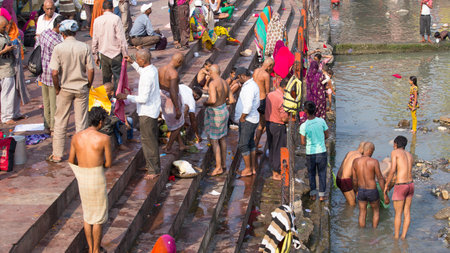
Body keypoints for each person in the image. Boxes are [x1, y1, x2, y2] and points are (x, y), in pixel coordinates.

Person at [47, 20, 95, 163]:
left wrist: (57, 89)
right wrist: (88, 85)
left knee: (60, 122)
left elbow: (54, 73)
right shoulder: (84, 47)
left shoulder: (59, 48)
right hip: (81, 88)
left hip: (65, 88)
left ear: (62, 33)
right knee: (81, 123)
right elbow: (91, 70)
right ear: (75, 32)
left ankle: (57, 154)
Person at [68, 107, 112, 253]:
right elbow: (108, 163)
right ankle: (96, 250)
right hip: (97, 177)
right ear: (100, 122)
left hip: (83, 178)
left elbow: (71, 160)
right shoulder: (104, 138)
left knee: (88, 216)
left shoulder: (76, 137)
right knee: (98, 217)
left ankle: (90, 249)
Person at [117, 50, 161, 179]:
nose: (136, 60)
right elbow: (142, 71)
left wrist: (126, 96)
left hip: (147, 112)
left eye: (137, 59)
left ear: (143, 60)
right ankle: (150, 165)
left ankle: (154, 170)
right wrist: (132, 63)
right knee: (147, 140)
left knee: (149, 141)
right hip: (149, 110)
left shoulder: (148, 75)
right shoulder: (151, 69)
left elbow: (143, 99)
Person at [204, 64, 235, 176]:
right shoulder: (225, 82)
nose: (208, 75)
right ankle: (223, 164)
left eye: (209, 73)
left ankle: (218, 168)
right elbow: (232, 100)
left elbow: (212, 100)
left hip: (215, 113)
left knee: (214, 140)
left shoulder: (213, 83)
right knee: (222, 138)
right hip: (223, 110)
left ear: (212, 72)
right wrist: (222, 103)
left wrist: (205, 103)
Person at [36, 15, 65, 134]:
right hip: (52, 74)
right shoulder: (57, 40)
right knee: (54, 103)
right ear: (59, 26)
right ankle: (53, 127)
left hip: (42, 72)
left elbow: (36, 47)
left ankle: (46, 125)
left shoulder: (44, 33)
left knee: (46, 101)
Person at [92, 0, 128, 90]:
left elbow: (94, 39)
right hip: (116, 53)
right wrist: (125, 54)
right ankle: (117, 99)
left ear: (102, 9)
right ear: (112, 8)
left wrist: (95, 55)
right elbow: (121, 38)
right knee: (118, 78)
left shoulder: (97, 21)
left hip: (103, 53)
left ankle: (107, 99)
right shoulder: (116, 19)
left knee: (106, 78)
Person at [384, 136, 414, 240]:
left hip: (401, 185)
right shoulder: (410, 155)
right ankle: (403, 237)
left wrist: (386, 185)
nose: (393, 146)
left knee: (398, 213)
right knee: (407, 212)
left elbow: (392, 170)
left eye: (394, 144)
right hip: (410, 184)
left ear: (396, 144)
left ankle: (396, 238)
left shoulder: (395, 153)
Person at [299, 101, 329, 201]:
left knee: (311, 173)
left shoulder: (304, 126)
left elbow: (302, 142)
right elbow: (327, 135)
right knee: (322, 173)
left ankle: (313, 194)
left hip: (310, 153)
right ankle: (322, 195)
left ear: (305, 111)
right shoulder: (321, 121)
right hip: (321, 151)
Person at [233, 67, 260, 177]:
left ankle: (248, 169)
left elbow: (248, 105)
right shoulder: (250, 85)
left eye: (238, 78)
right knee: (250, 143)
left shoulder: (249, 88)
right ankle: (253, 168)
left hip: (248, 119)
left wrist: (243, 117)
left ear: (243, 76)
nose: (238, 80)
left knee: (243, 145)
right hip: (252, 118)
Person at [352, 142, 385, 228]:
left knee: (362, 212)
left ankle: (362, 236)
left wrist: (356, 191)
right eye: (373, 150)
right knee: (376, 211)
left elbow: (354, 180)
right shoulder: (374, 162)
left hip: (361, 190)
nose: (373, 152)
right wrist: (385, 193)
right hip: (372, 190)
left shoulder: (355, 161)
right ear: (369, 150)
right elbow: (380, 178)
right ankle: (374, 232)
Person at [158, 53, 186, 153]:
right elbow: (173, 92)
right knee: (178, 124)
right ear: (179, 62)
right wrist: (177, 108)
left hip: (162, 96)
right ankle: (169, 146)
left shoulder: (161, 68)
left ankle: (181, 144)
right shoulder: (173, 73)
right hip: (171, 100)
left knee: (173, 123)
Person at [265, 78, 288, 180]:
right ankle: (276, 172)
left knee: (272, 146)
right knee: (278, 148)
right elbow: (283, 117)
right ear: (285, 87)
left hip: (269, 123)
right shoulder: (282, 98)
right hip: (278, 125)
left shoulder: (270, 95)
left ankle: (273, 167)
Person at [0, 16, 19, 125]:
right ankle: (6, 117)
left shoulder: (4, 34)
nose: (6, 28)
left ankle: (13, 114)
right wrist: (5, 50)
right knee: (6, 93)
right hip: (4, 69)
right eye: (3, 27)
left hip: (10, 67)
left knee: (13, 92)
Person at [253, 58, 274, 154]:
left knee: (256, 123)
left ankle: (254, 143)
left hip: (254, 100)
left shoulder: (256, 71)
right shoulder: (266, 75)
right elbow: (267, 92)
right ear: (269, 66)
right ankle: (255, 146)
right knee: (262, 125)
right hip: (261, 101)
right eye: (271, 67)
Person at [336, 142, 365, 206]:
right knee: (352, 204)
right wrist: (357, 189)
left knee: (349, 200)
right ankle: (349, 215)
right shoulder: (359, 157)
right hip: (345, 181)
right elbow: (357, 177)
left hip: (338, 178)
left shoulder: (350, 152)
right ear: (364, 150)